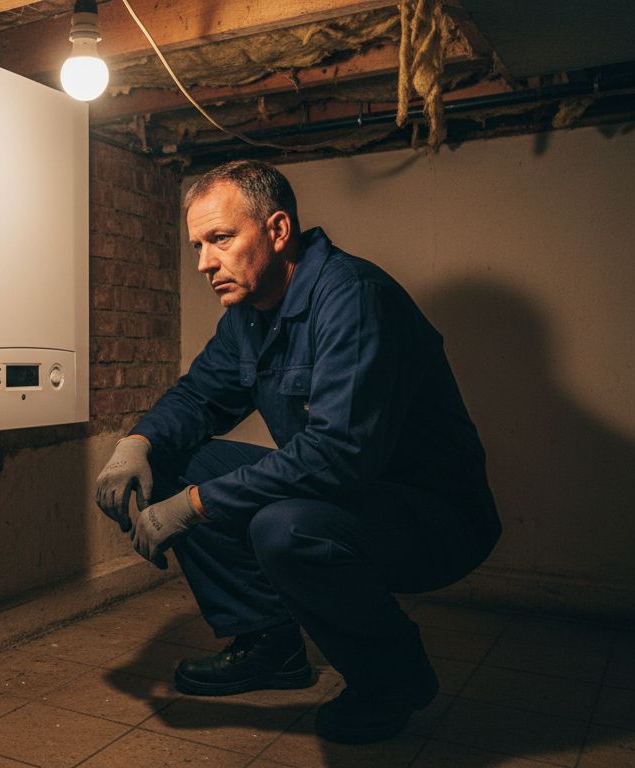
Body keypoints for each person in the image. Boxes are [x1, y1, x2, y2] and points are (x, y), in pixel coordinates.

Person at [94, 160, 501, 744]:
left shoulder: (354, 298)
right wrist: (136, 444)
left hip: (432, 517)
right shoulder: (250, 313)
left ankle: (393, 682)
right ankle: (269, 645)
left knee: (286, 529)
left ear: (278, 231)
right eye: (198, 245)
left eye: (221, 239)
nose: (205, 262)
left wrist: (193, 507)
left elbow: (338, 453)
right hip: (351, 494)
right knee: (175, 459)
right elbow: (201, 394)